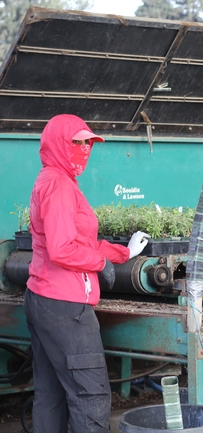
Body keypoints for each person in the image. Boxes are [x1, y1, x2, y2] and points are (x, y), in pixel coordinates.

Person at [24, 114, 150, 433]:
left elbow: (81, 240)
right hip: (67, 307)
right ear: (57, 144)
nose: (83, 148)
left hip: (43, 299)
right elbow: (63, 249)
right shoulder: (59, 185)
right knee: (90, 396)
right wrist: (100, 264)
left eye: (87, 142)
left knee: (50, 395)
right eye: (76, 142)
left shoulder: (55, 180)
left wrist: (124, 254)